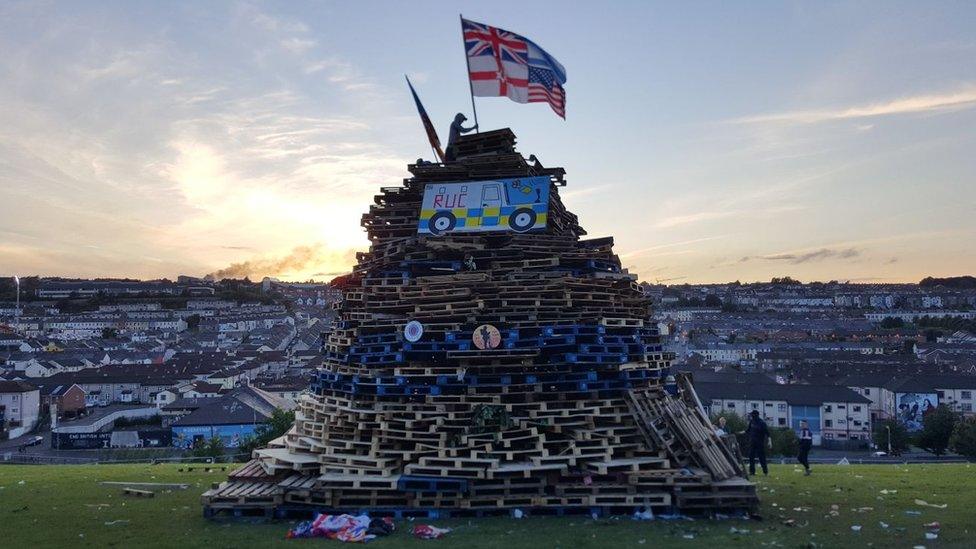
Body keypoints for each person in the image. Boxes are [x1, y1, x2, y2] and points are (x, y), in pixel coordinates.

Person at [741, 410, 771, 476]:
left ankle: (765, 472)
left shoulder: (762, 423)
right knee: (751, 457)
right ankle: (752, 472)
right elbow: (748, 430)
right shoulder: (752, 422)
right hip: (752, 442)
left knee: (761, 457)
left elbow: (767, 433)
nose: (751, 416)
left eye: (752, 415)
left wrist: (769, 442)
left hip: (760, 443)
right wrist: (741, 432)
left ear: (755, 415)